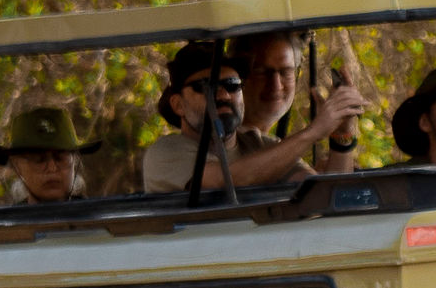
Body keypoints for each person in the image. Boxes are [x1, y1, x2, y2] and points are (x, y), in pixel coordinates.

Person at [140, 29, 368, 195]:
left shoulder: (261, 144)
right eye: (207, 87)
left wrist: (341, 136)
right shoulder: (166, 153)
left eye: (232, 85)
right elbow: (224, 181)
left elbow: (325, 196)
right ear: (178, 104)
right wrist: (313, 132)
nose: (223, 95)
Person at [0, 105, 97, 205]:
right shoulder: (8, 220)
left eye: (60, 158)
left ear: (74, 162)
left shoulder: (97, 216)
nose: (52, 168)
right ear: (18, 166)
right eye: (38, 159)